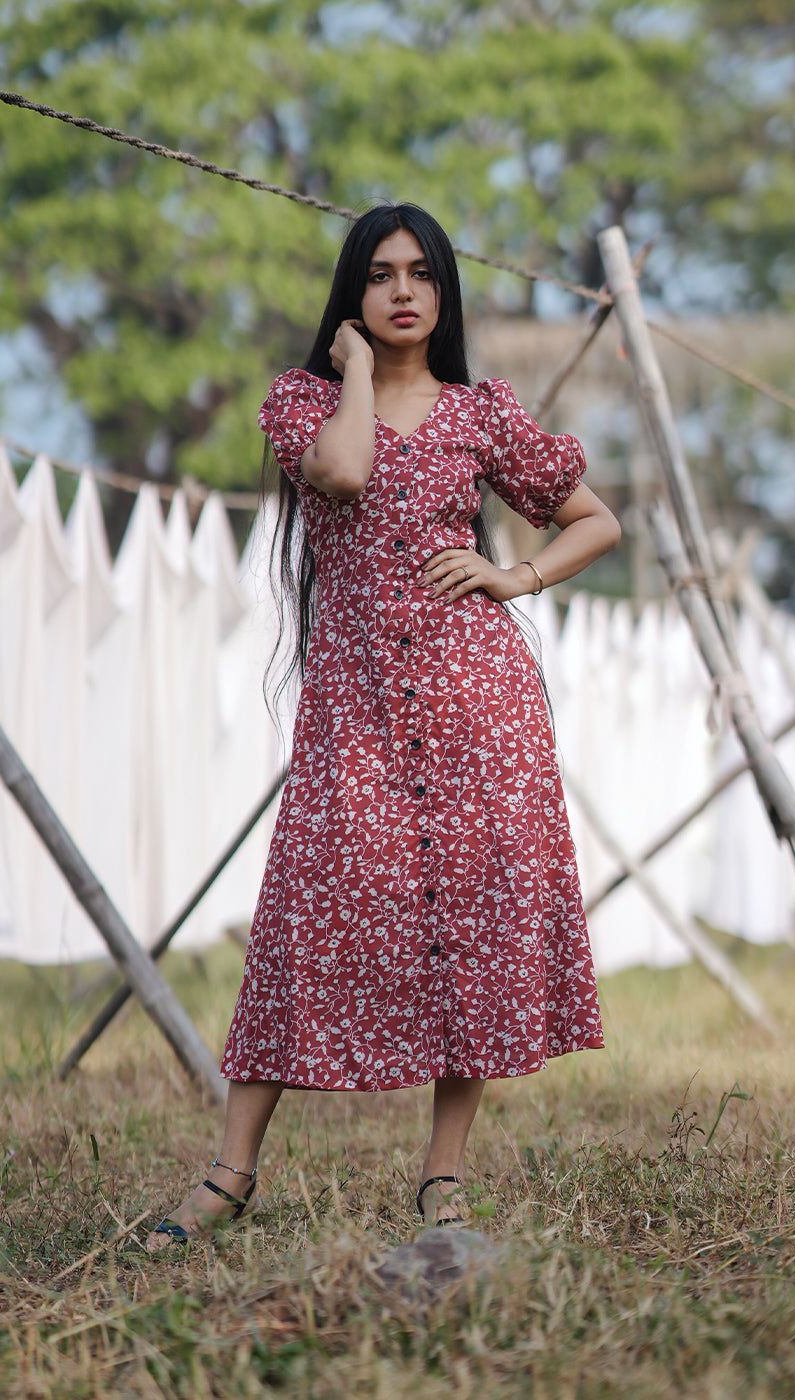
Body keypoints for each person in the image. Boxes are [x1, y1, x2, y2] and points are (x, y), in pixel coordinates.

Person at [146, 203, 620, 1250]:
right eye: (378, 274)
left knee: (472, 929)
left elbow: (598, 518)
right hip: (351, 711)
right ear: (351, 297)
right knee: (304, 916)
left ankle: (442, 1174)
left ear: (443, 292)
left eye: (419, 273)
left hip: (476, 703)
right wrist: (356, 373)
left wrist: (515, 573)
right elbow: (345, 474)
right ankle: (231, 1171)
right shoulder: (301, 402)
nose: (401, 289)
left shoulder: (483, 413)